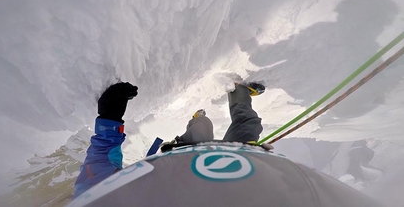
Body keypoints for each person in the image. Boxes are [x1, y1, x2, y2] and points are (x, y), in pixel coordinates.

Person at [71, 81, 379, 207]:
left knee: (202, 127)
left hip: (189, 155)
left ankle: (205, 111)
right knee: (247, 125)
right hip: (243, 159)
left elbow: (98, 170)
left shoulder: (101, 200)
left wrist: (109, 116)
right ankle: (238, 91)